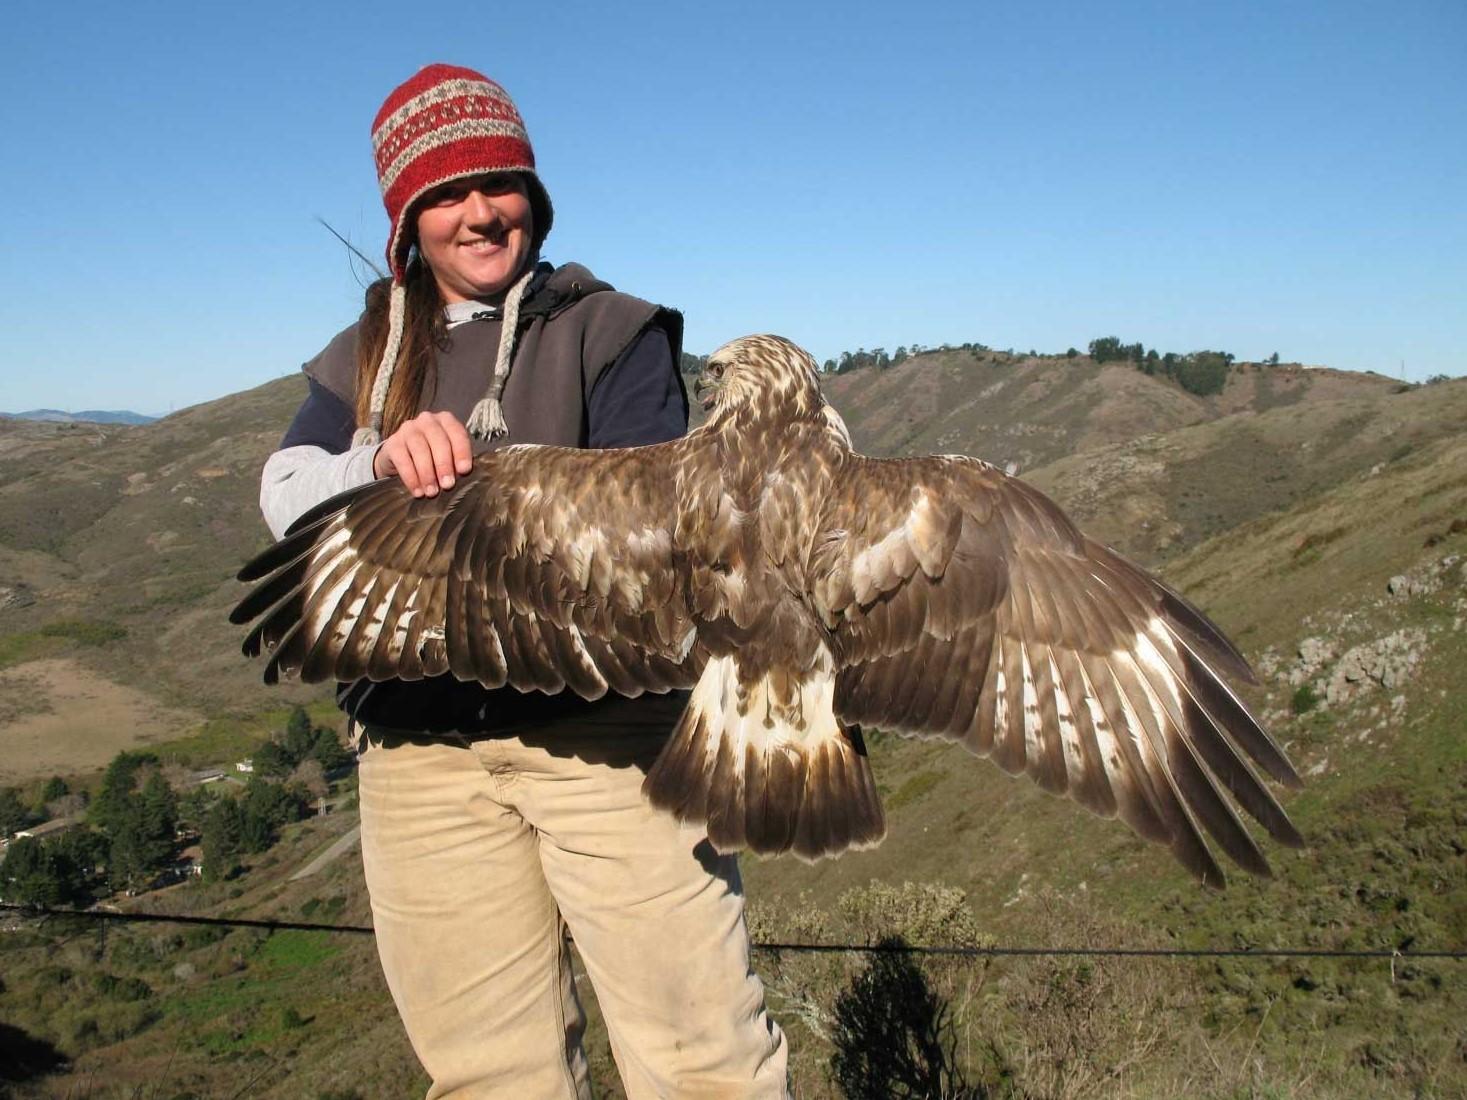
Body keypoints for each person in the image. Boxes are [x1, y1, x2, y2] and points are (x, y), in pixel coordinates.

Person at [259, 63, 789, 1099]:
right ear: (410, 216)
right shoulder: (363, 350)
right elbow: (283, 496)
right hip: (418, 754)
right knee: (489, 1075)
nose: (481, 210)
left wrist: (496, 508)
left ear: (534, 198)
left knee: (705, 1063)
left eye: (500, 183)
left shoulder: (612, 329)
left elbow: (658, 541)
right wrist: (381, 463)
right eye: (449, 191)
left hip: (612, 746)